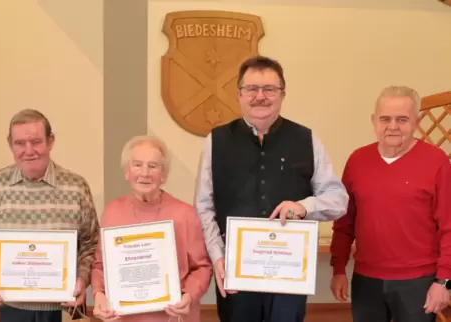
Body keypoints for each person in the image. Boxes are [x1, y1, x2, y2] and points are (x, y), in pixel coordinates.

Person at [194, 55, 349, 322]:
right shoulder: (216, 141)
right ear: (239, 95)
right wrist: (218, 257)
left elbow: (338, 200)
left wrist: (304, 207)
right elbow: (204, 206)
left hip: (289, 272)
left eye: (269, 89)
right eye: (251, 89)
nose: (260, 96)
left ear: (282, 94)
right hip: (236, 271)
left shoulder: (307, 139)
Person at [330, 86, 451, 322]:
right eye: (385, 119)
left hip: (419, 282)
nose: (392, 126)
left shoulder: (437, 162)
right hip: (366, 280)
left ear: (416, 121)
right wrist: (338, 269)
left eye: (402, 119)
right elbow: (344, 222)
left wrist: (444, 281)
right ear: (374, 121)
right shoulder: (357, 160)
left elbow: (449, 225)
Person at [0, 109, 100, 322]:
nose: (29, 150)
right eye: (20, 143)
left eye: (36, 141)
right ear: (10, 144)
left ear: (50, 141)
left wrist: (82, 279)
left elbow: (91, 244)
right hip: (11, 307)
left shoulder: (76, 187)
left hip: (66, 307)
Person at [91, 135, 212, 322]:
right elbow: (100, 265)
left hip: (173, 317)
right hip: (125, 317)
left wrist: (188, 297)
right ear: (127, 172)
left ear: (163, 175)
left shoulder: (185, 214)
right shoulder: (112, 212)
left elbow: (202, 267)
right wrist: (99, 295)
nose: (145, 173)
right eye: (137, 165)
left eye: (153, 166)